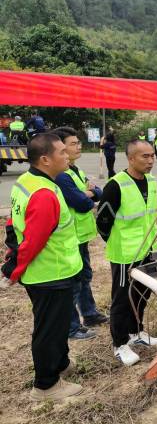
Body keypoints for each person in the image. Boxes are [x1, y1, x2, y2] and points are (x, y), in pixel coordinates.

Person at [1, 133, 84, 401]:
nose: (67, 155)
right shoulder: (44, 193)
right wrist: (12, 269)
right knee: (50, 330)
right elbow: (33, 242)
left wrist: (11, 247)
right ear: (46, 159)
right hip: (50, 273)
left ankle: (60, 365)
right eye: (62, 152)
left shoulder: (29, 181)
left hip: (51, 272)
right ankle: (46, 386)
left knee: (56, 325)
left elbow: (13, 221)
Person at [97, 139, 157, 366]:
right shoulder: (116, 185)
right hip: (125, 254)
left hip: (146, 248)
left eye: (152, 155)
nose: (150, 160)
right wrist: (116, 241)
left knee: (142, 294)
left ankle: (136, 333)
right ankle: (120, 343)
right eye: (144, 156)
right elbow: (103, 221)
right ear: (131, 158)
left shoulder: (151, 181)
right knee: (122, 299)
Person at [52, 127, 108, 341]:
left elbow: (98, 192)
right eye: (73, 143)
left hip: (82, 235)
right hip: (71, 237)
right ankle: (72, 327)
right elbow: (83, 203)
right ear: (60, 147)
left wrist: (90, 192)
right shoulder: (63, 177)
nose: (79, 146)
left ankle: (90, 314)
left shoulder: (75, 170)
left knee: (85, 277)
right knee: (75, 283)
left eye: (78, 142)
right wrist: (89, 193)